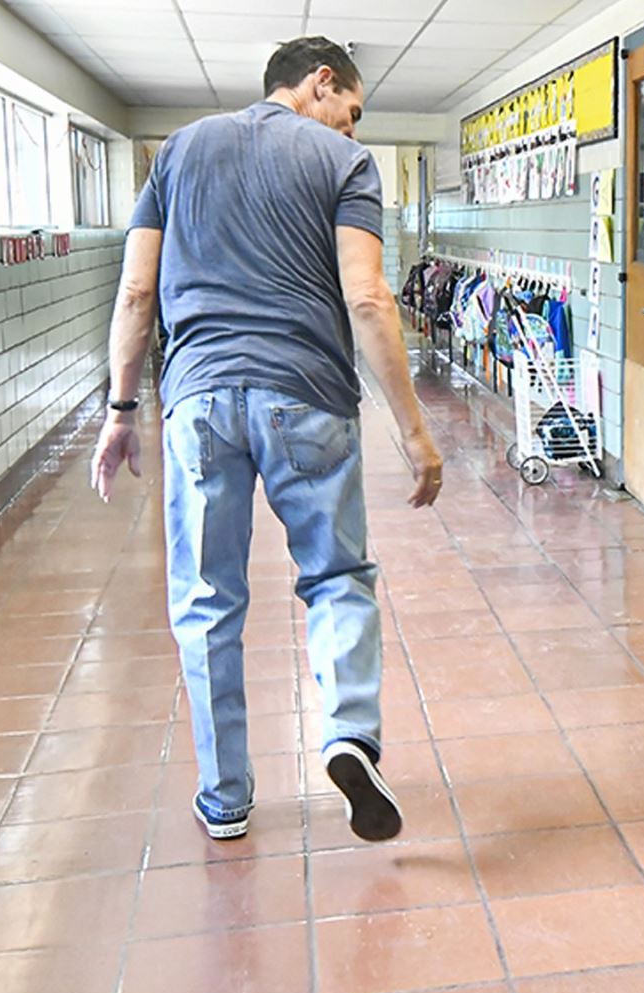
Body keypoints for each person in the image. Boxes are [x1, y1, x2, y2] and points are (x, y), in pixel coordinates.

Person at [89, 37, 443, 843]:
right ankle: (349, 731)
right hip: (308, 398)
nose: (350, 133)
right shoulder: (344, 167)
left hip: (199, 404)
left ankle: (225, 795)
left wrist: (120, 409)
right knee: (338, 577)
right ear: (322, 82)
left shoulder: (177, 152)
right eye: (350, 113)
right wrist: (415, 432)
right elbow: (370, 298)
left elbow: (138, 289)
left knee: (207, 601)